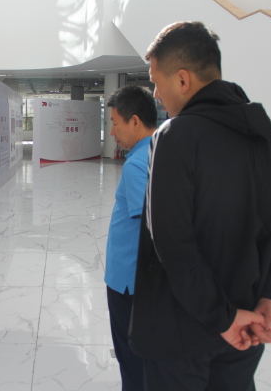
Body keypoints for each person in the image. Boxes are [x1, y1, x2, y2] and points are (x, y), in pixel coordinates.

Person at [129, 22, 271, 390]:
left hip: (182, 334)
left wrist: (223, 317)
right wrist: (270, 299)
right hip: (246, 331)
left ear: (182, 79)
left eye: (156, 82)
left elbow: (172, 242)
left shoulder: (176, 136)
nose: (156, 94)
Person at [104, 85, 157, 390]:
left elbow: (150, 228)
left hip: (128, 282)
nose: (112, 132)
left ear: (134, 121)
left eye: (115, 123)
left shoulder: (136, 165)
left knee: (131, 357)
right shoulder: (158, 151)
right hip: (144, 283)